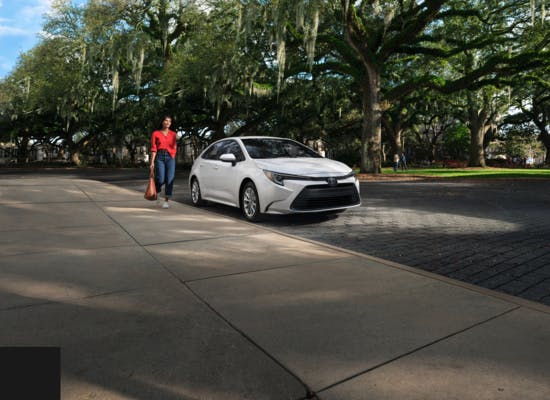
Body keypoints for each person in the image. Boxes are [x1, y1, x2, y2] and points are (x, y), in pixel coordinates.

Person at [150, 115, 177, 208]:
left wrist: (173, 154)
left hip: (170, 157)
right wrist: (152, 162)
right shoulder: (156, 133)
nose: (168, 122)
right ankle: (158, 192)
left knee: (170, 179)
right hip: (160, 157)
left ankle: (166, 201)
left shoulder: (173, 134)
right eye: (166, 120)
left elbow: (174, 145)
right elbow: (153, 148)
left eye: (169, 121)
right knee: (160, 179)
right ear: (162, 122)